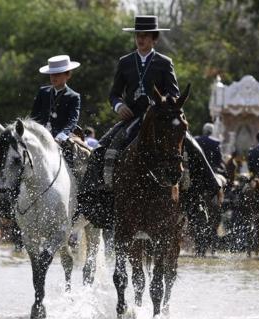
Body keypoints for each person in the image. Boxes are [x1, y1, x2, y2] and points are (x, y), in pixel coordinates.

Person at [79, 15, 220, 220]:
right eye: (138, 35)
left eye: (145, 36)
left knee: (191, 146)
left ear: (154, 38)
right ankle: (95, 198)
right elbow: (114, 93)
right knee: (101, 148)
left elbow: (174, 92)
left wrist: (162, 104)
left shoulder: (164, 62)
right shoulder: (125, 62)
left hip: (160, 118)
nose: (140, 39)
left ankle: (202, 196)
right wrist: (119, 105)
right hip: (132, 118)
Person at [30, 55, 81, 142]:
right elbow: (34, 116)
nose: (53, 77)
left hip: (62, 138)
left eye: (57, 74)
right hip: (40, 135)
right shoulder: (43, 92)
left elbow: (73, 120)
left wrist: (62, 134)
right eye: (51, 74)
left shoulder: (74, 96)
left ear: (68, 75)